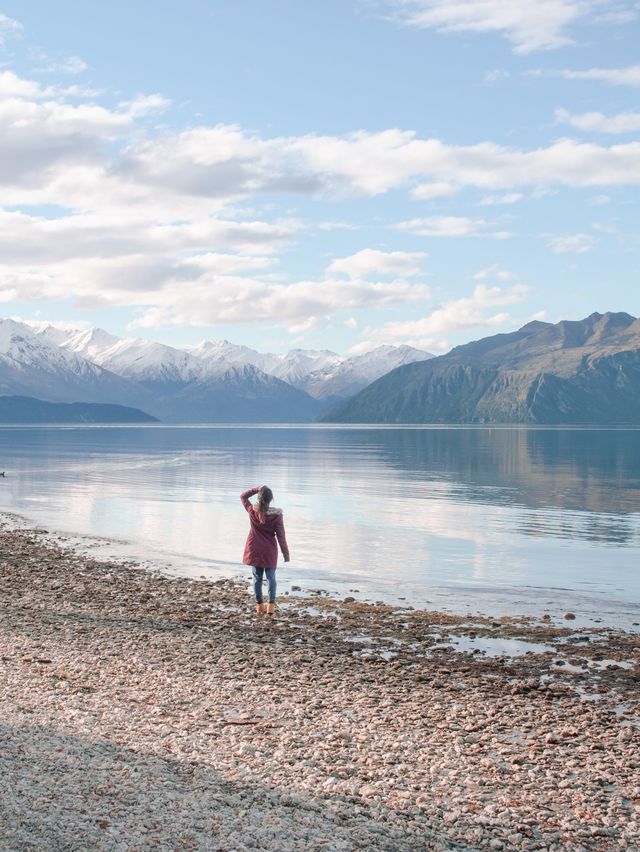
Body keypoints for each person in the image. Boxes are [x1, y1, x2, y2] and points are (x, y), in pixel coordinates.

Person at [240, 485, 290, 616]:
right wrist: (286, 554)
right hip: (269, 551)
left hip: (255, 548)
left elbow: (243, 496)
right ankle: (271, 608)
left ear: (259, 498)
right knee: (271, 578)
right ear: (271, 499)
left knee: (257, 578)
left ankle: (259, 606)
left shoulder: (252, 511)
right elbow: (281, 536)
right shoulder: (277, 516)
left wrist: (257, 489)